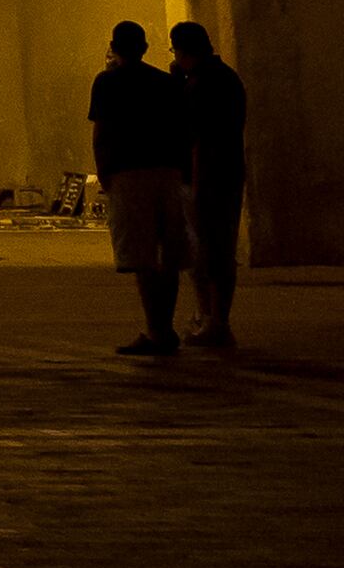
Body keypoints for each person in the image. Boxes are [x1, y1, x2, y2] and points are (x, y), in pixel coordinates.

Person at [88, 21, 195, 357]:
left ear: (114, 46)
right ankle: (167, 326)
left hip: (128, 173)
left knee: (142, 255)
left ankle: (156, 329)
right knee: (168, 253)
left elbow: (101, 131)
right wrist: (184, 171)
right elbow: (182, 130)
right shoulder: (166, 82)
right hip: (166, 170)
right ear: (146, 48)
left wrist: (103, 171)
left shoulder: (106, 82)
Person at [170, 22, 248, 349]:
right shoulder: (229, 78)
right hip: (230, 172)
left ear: (183, 50)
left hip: (206, 177)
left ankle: (211, 319)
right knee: (222, 248)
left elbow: (198, 141)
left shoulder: (199, 86)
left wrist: (197, 184)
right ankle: (218, 319)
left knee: (204, 252)